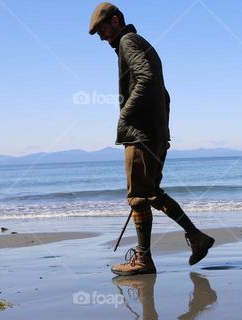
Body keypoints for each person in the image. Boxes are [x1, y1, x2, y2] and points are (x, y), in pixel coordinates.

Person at [88, 3, 215, 276]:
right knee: (151, 193)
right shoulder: (138, 43)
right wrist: (161, 130)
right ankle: (196, 237)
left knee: (138, 198)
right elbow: (163, 93)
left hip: (141, 135)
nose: (101, 37)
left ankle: (144, 260)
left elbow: (146, 79)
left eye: (102, 29)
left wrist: (126, 116)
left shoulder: (128, 41)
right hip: (153, 133)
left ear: (116, 20)